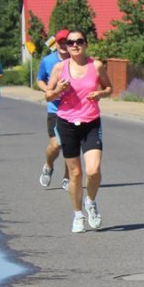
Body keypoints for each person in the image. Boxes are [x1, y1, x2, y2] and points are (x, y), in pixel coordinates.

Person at [45, 30, 112, 233]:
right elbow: (48, 95)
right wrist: (58, 91)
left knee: (93, 170)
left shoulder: (96, 65)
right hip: (66, 122)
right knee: (75, 173)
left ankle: (90, 202)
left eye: (79, 41)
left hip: (91, 122)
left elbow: (109, 88)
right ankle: (77, 214)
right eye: (70, 42)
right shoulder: (59, 68)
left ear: (86, 44)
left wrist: (100, 93)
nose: (74, 45)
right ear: (66, 45)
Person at [36, 29, 70, 188]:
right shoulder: (48, 61)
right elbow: (39, 80)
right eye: (60, 42)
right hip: (54, 109)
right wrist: (48, 91)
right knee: (56, 145)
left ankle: (67, 176)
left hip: (73, 110)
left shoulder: (77, 61)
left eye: (66, 42)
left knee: (70, 146)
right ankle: (48, 166)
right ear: (56, 43)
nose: (63, 45)